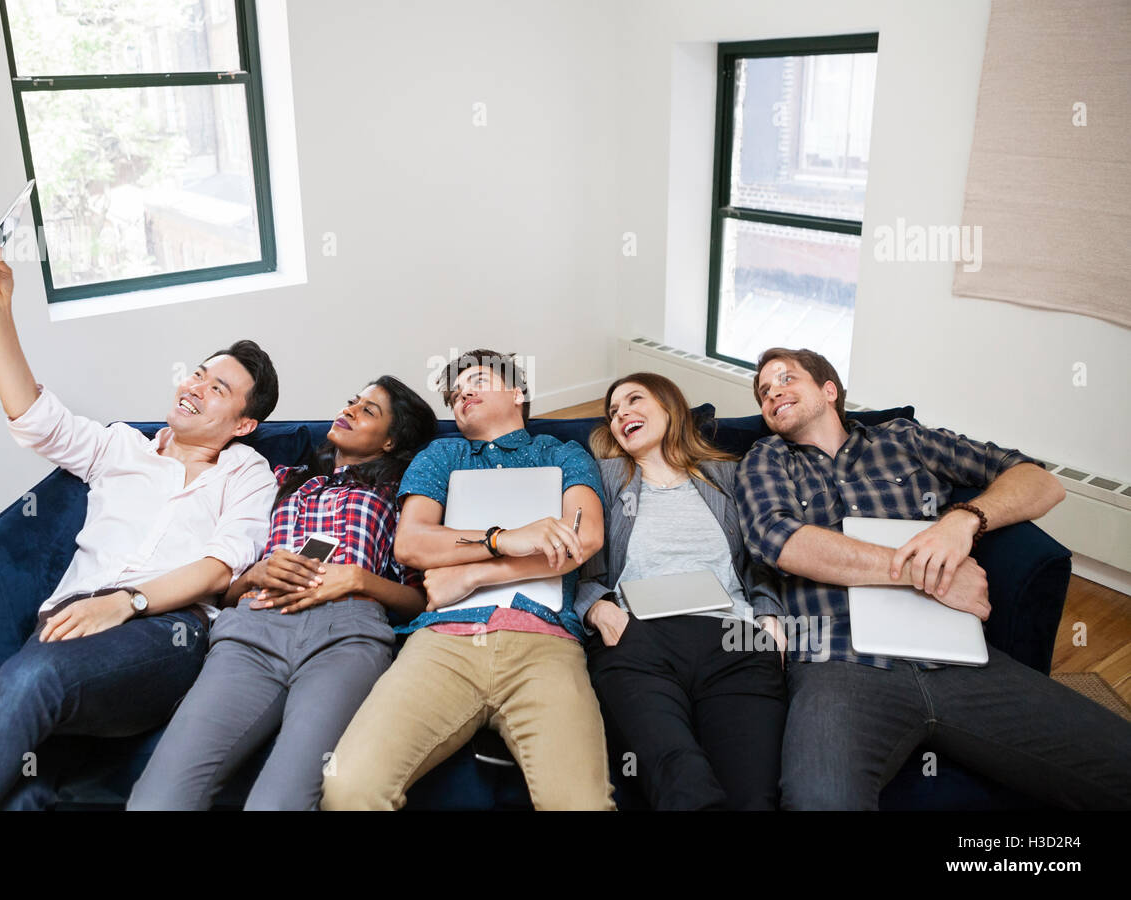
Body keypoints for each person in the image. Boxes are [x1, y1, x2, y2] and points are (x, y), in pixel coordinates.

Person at [0, 245, 280, 810]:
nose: (194, 387)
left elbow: (221, 569)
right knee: (27, 791)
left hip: (165, 631)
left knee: (34, 680)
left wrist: (128, 602)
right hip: (68, 620)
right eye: (198, 374)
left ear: (244, 423)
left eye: (217, 388)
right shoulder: (118, 445)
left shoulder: (246, 471)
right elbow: (30, 416)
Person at [734, 346, 1131, 810]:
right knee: (820, 800)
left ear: (829, 389)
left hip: (956, 657)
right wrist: (923, 572)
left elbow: (1041, 482)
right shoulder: (767, 458)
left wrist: (963, 521)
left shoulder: (904, 439)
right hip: (839, 665)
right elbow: (779, 540)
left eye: (786, 379)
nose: (773, 392)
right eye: (764, 390)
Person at [321, 349, 615, 810]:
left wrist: (475, 573)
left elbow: (583, 537)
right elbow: (412, 543)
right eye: (455, 394)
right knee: (349, 787)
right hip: (442, 643)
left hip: (545, 644)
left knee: (582, 805)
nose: (462, 395)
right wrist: (505, 539)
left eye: (476, 381)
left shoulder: (563, 454)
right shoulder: (442, 454)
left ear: (518, 392)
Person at [127, 376, 436, 810]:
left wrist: (359, 580)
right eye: (352, 401)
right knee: (157, 800)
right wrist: (253, 574)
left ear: (390, 441)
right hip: (252, 628)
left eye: (368, 411)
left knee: (279, 802)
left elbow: (421, 602)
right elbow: (226, 591)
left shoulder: (399, 494)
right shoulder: (279, 478)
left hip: (346, 633)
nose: (348, 410)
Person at [579, 372, 787, 809]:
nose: (622, 415)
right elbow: (583, 571)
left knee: (753, 794)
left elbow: (759, 560)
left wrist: (770, 616)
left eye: (635, 400)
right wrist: (597, 609)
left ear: (671, 407)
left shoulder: (727, 475)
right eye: (614, 412)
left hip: (734, 639)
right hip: (637, 639)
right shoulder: (603, 477)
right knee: (680, 778)